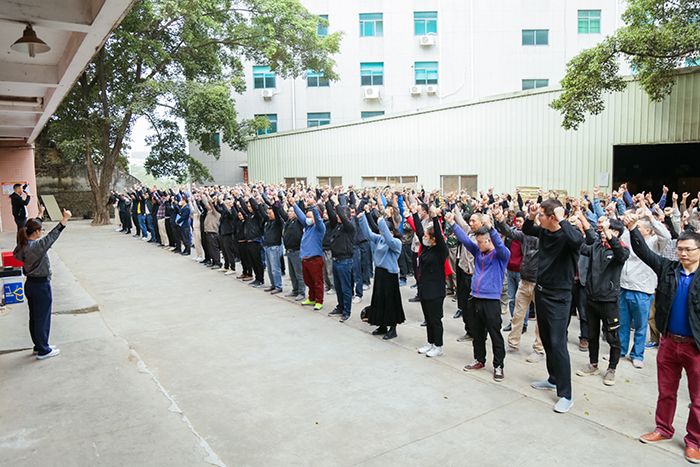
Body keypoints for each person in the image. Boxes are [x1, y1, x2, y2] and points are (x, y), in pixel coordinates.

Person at [626, 215, 700, 464]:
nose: (683, 254)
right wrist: (633, 229)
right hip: (669, 343)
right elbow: (645, 253)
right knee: (666, 391)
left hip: (695, 347)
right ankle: (663, 429)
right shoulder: (669, 269)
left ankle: (694, 442)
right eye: (680, 249)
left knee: (698, 400)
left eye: (688, 249)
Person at [523, 199, 584, 414]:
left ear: (552, 217)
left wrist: (563, 218)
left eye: (541, 214)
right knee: (547, 340)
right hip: (542, 292)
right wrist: (531, 214)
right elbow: (527, 229)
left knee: (559, 344)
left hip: (560, 297)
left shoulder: (568, 234)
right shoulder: (545, 232)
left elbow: (578, 240)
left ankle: (566, 395)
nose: (538, 217)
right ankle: (553, 378)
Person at [447, 206, 510, 381]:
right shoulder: (478, 251)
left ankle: (498, 366)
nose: (478, 244)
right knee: (477, 333)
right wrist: (452, 223)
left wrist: (491, 227)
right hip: (475, 298)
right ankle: (479, 360)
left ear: (489, 241)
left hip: (491, 301)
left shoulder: (501, 255)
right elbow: (466, 240)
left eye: (481, 241)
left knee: (495, 335)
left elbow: (498, 242)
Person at [575, 217, 630, 386]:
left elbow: (620, 253)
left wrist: (609, 235)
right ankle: (593, 364)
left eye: (607, 229)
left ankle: (612, 368)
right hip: (591, 299)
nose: (602, 232)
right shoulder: (596, 247)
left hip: (609, 302)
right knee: (592, 335)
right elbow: (581, 245)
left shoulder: (622, 249)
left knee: (613, 337)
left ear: (616, 232)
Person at [13, 207, 72, 360]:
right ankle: (43, 350)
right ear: (37, 232)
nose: (42, 232)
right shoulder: (36, 247)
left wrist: (39, 215)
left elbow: (33, 228)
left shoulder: (22, 245)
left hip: (30, 285)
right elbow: (52, 236)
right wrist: (64, 220)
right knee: (42, 318)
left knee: (35, 317)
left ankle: (39, 345)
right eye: (41, 230)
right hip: (40, 286)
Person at [619, 208, 671, 369]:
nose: (635, 228)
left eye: (639, 226)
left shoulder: (655, 243)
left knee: (641, 326)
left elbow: (667, 236)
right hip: (624, 286)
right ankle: (620, 351)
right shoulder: (628, 236)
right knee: (623, 323)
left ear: (648, 230)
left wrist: (650, 216)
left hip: (642, 289)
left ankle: (637, 354)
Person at [358, 204, 405, 339]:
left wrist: (382, 221)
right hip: (380, 273)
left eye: (383, 230)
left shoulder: (396, 243)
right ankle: (382, 325)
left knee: (391, 301)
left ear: (390, 232)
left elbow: (389, 239)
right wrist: (362, 219)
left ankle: (393, 328)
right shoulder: (380, 239)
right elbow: (368, 234)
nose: (380, 232)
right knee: (379, 300)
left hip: (390, 275)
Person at [413, 205, 449, 358]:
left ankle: (438, 345)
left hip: (435, 291)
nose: (424, 238)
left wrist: (435, 217)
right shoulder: (426, 248)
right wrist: (414, 213)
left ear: (434, 240)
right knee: (428, 318)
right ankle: (430, 342)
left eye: (427, 237)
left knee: (435, 319)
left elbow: (439, 236)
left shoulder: (440, 250)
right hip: (425, 288)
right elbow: (420, 231)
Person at [326, 194, 355, 322]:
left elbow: (342, 216)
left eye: (340, 215)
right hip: (336, 260)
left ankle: (347, 311)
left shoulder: (349, 227)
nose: (337, 216)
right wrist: (327, 200)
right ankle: (340, 306)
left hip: (345, 261)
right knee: (338, 287)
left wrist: (337, 203)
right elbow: (332, 214)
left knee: (346, 287)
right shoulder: (337, 226)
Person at [295, 195, 326, 309]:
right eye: (307, 217)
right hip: (305, 259)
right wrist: (294, 204)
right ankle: (311, 298)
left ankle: (319, 300)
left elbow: (317, 218)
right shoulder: (307, 227)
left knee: (317, 282)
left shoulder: (319, 228)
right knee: (309, 281)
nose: (307, 219)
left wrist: (313, 206)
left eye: (310, 217)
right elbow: (301, 216)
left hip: (315, 259)